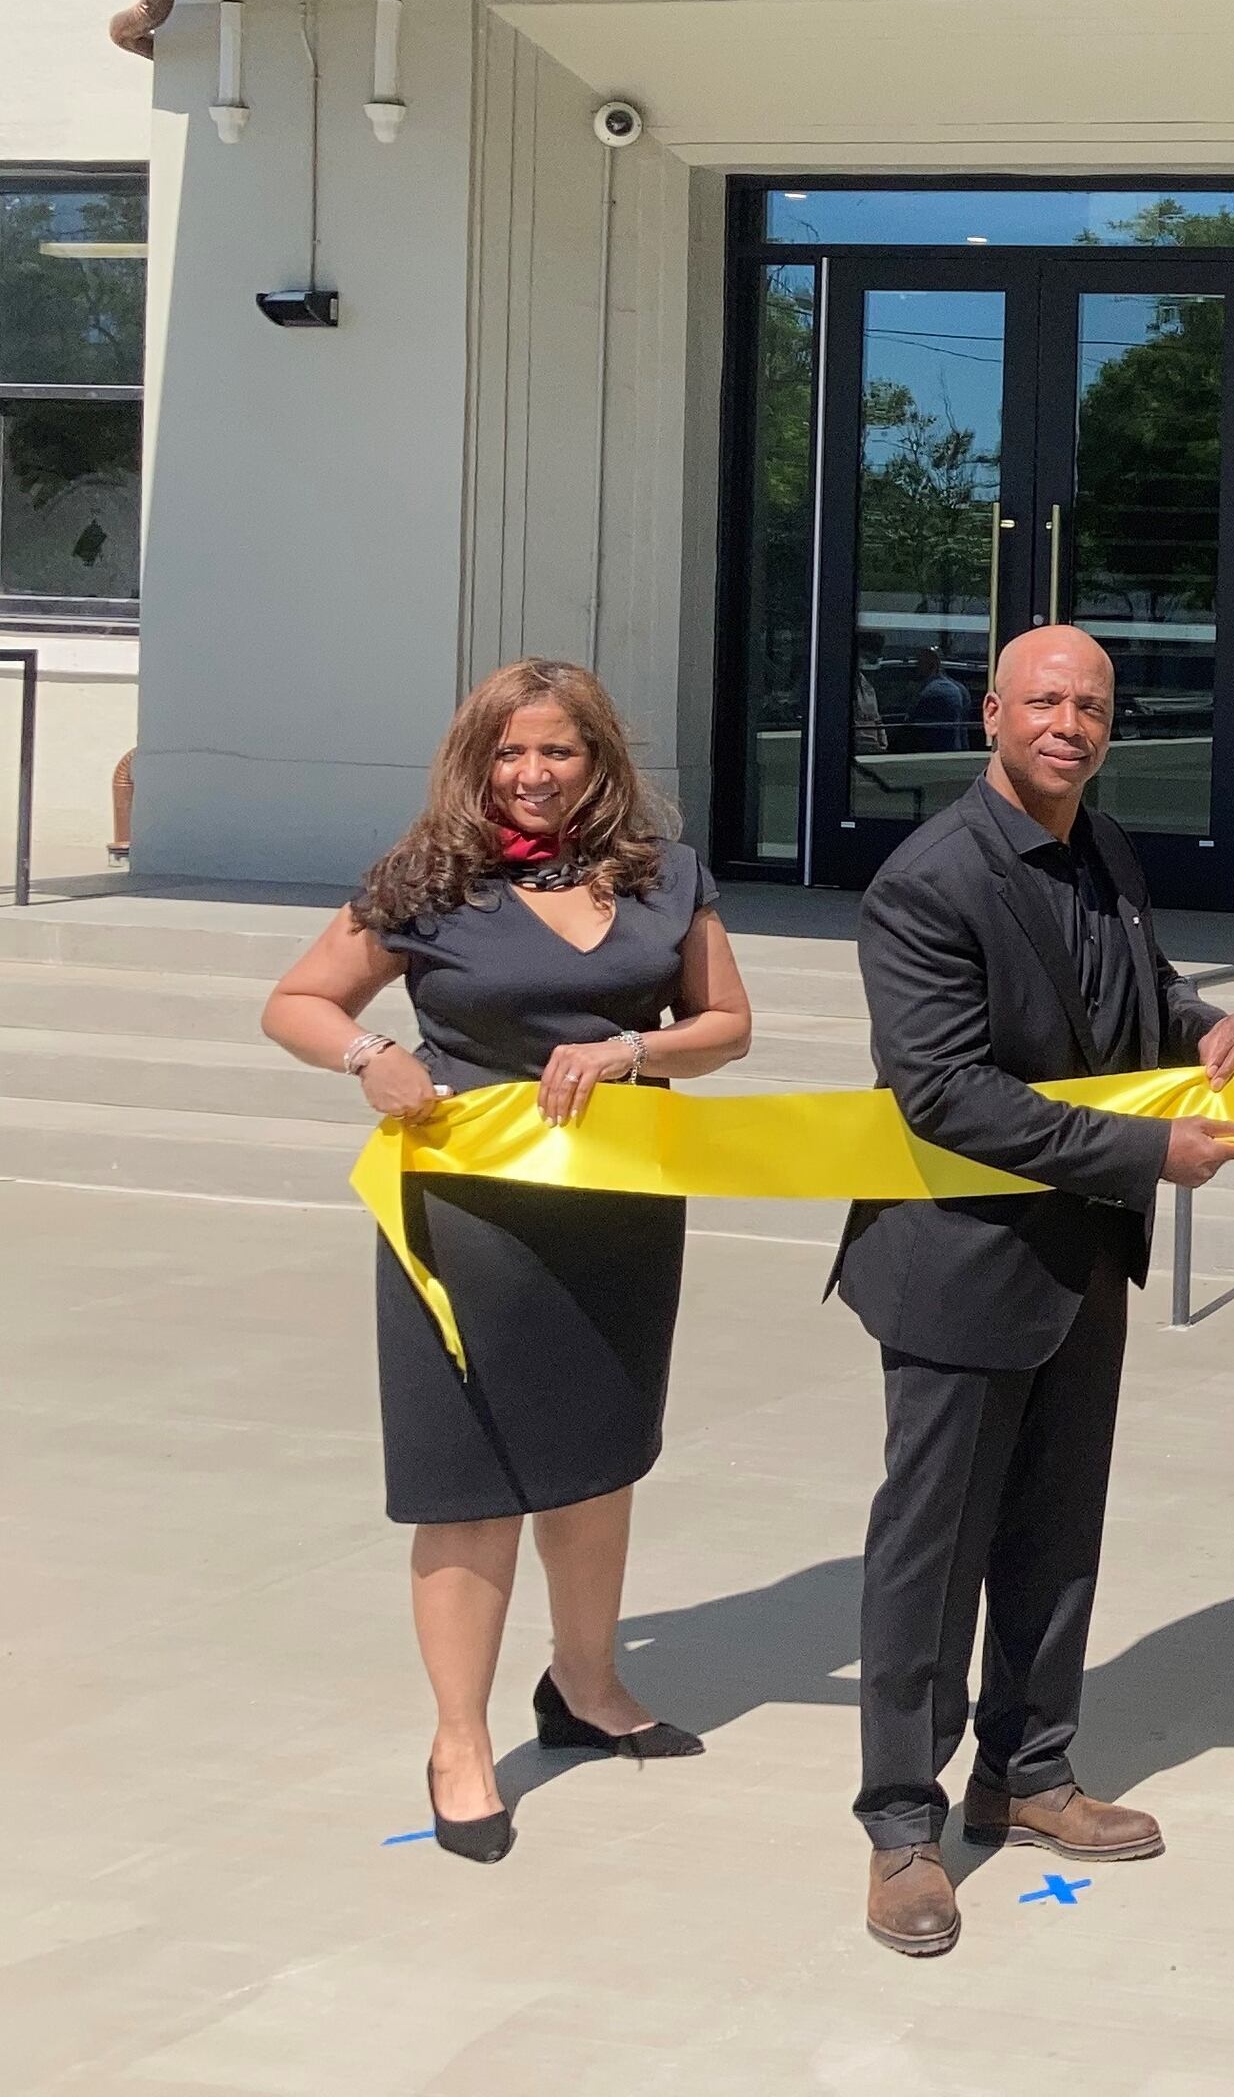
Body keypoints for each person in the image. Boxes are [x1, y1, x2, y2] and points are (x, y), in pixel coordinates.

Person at [260, 658, 755, 1862]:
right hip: (467, 1218)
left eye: (558, 751)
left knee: (597, 1460)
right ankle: (459, 1741)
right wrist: (367, 1054)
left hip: (620, 1212)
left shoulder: (662, 876)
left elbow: (727, 1026)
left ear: (601, 761)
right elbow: (296, 1001)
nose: (531, 775)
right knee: (471, 1480)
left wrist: (636, 1054)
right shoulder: (427, 881)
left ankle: (585, 1687)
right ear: (476, 760)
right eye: (508, 752)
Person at [836, 624, 1234, 1957]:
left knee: (1055, 1537)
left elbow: (1131, 990)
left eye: (1090, 703)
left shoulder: (1102, 848)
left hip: (1080, 1262)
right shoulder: (928, 886)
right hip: (960, 1265)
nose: (1069, 722)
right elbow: (951, 1094)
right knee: (934, 1552)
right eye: (1044, 700)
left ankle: (1029, 1775)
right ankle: (903, 1828)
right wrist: (1153, 1150)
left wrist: (1204, 1024)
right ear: (992, 719)